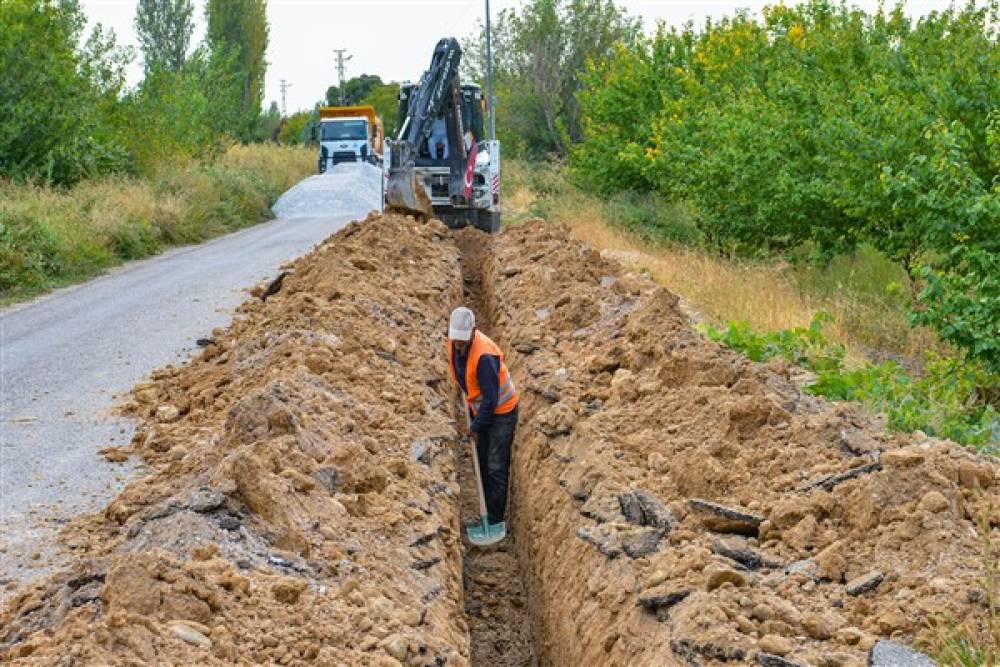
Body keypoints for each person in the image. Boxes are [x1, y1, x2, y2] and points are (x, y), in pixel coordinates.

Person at [446, 306, 519, 545]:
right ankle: (486, 507)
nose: (457, 345)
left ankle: (496, 518)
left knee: (495, 465)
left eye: (461, 341)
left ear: (473, 332)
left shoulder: (485, 357)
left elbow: (490, 399)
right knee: (482, 459)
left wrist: (476, 427)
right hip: (480, 409)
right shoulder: (453, 344)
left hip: (501, 411)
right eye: (455, 340)